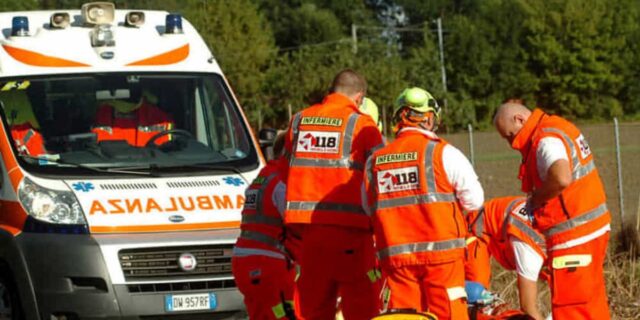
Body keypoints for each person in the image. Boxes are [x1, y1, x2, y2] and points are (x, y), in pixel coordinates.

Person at [363, 87, 484, 319]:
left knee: (405, 316)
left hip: (397, 260)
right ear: (429, 118)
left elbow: (368, 208)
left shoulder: (374, 161)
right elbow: (474, 200)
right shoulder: (444, 153)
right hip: (443, 259)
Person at [493, 100, 611, 319]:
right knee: (590, 304)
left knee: (571, 308)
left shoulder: (545, 139)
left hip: (573, 236)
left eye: (510, 135)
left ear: (520, 120)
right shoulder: (557, 126)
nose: (511, 143)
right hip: (590, 230)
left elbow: (561, 177)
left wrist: (537, 198)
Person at [283, 69, 384, 320]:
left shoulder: (299, 121)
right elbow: (381, 172)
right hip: (351, 233)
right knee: (361, 307)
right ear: (359, 98)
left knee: (312, 307)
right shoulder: (362, 124)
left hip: (309, 236)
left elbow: (287, 161)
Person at [232, 131, 297, 320]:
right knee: (283, 315)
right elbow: (299, 225)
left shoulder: (263, 178)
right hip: (267, 265)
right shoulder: (281, 184)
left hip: (246, 264)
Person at [465, 196, 547, 320]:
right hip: (479, 229)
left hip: (507, 232)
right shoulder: (529, 247)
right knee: (476, 296)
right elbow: (528, 307)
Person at [92, 90, 174, 147]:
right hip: (105, 168)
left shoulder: (160, 118)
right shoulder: (99, 114)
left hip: (153, 167)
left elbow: (169, 151)